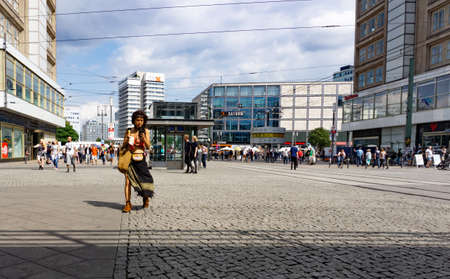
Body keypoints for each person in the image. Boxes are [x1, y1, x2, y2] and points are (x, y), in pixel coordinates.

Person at [122, 110, 155, 213]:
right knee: (127, 182)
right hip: (130, 159)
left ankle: (146, 198)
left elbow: (149, 146)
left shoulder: (145, 131)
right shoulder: (128, 131)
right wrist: (126, 141)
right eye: (137, 120)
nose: (139, 122)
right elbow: (123, 146)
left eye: (141, 120)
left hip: (141, 160)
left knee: (145, 181)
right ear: (134, 120)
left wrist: (144, 138)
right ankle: (128, 203)